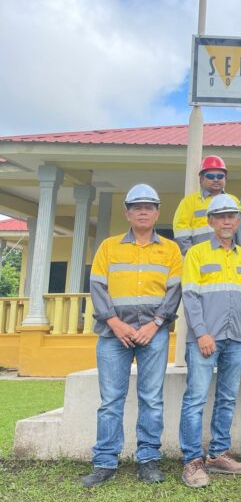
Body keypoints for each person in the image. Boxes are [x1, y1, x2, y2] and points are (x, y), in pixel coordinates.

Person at [81, 184, 182, 488]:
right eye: (137, 207)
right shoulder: (108, 247)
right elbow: (97, 287)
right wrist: (114, 323)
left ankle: (148, 460)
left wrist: (155, 324)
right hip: (113, 335)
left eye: (149, 207)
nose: (143, 212)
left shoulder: (170, 249)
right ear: (127, 213)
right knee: (111, 400)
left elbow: (174, 291)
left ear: (157, 212)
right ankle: (104, 462)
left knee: (151, 398)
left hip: (155, 334)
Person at [178, 194, 241, 488]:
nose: (226, 221)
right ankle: (192, 461)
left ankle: (218, 454)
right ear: (210, 221)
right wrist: (201, 332)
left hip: (235, 339)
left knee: (227, 397)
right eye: (220, 216)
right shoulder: (196, 254)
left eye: (231, 216)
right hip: (205, 339)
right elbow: (190, 297)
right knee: (195, 398)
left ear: (237, 221)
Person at [173, 155, 239, 255]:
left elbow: (240, 231)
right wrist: (192, 255)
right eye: (210, 176)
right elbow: (181, 233)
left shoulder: (234, 201)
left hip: (229, 257)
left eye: (220, 176)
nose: (216, 179)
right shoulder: (189, 202)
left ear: (225, 178)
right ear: (201, 179)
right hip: (201, 257)